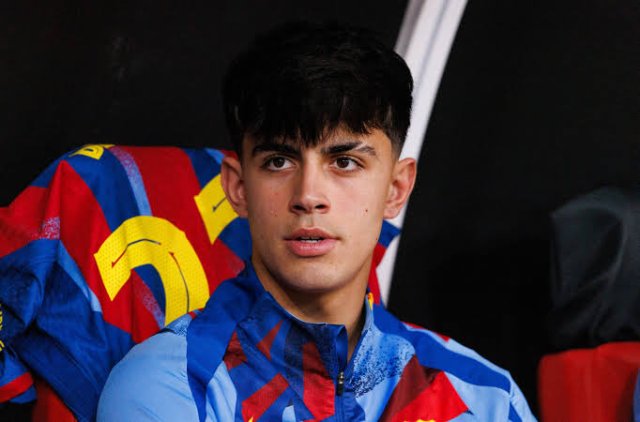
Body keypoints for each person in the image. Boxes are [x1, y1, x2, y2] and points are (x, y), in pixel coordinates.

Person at [97, 21, 535, 421]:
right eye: (278, 161)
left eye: (344, 162)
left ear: (396, 189)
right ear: (238, 187)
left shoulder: (485, 399)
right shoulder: (168, 386)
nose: (308, 196)